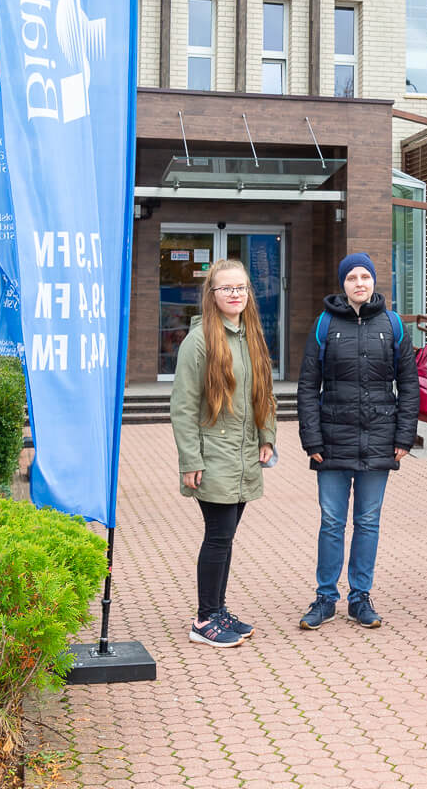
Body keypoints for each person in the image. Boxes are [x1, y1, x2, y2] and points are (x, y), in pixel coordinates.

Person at [296, 252, 418, 631]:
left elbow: (409, 385)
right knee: (332, 521)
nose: (359, 283)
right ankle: (325, 598)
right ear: (343, 284)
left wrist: (404, 436)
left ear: (374, 281)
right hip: (332, 441)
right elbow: (307, 386)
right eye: (352, 277)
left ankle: (360, 597)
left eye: (365, 276)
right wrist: (311, 438)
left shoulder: (393, 325)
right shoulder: (324, 324)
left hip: (379, 439)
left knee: (367, 521)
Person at [169, 259, 278, 648]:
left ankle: (218, 610)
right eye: (226, 288)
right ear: (211, 294)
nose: (235, 294)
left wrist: (267, 436)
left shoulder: (250, 335)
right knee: (218, 536)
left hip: (244, 454)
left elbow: (263, 392)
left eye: (241, 287)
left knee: (226, 537)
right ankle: (204, 620)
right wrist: (191, 461)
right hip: (214, 456)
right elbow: (183, 406)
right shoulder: (198, 342)